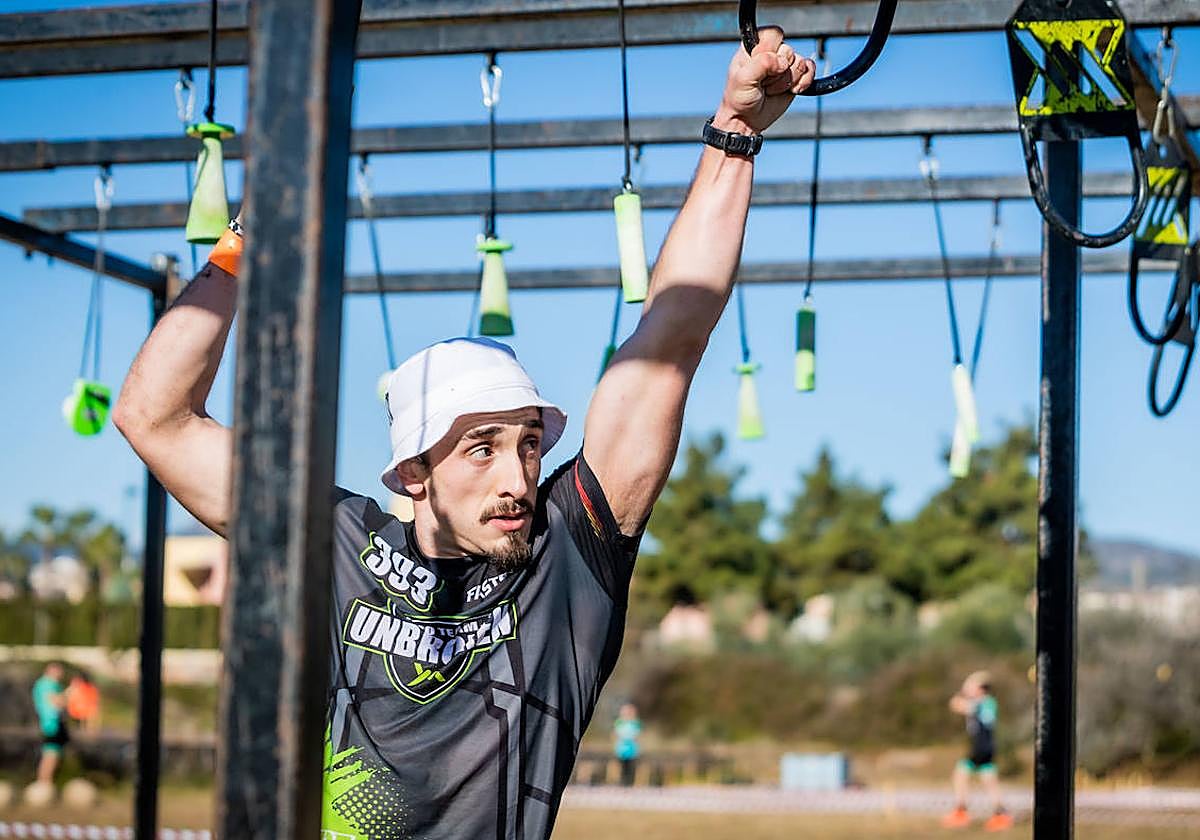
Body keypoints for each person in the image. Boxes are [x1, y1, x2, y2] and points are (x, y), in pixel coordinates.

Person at [113, 29, 815, 840]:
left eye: (527, 441)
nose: (517, 476)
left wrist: (736, 131)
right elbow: (154, 417)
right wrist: (252, 230)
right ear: (414, 472)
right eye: (480, 447)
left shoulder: (568, 551)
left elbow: (674, 330)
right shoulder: (333, 540)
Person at [941, 671, 1013, 832]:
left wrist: (965, 689)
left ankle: (961, 811)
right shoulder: (986, 702)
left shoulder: (983, 702)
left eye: (971, 686)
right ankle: (1001, 813)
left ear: (980, 689)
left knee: (961, 773)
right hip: (985, 747)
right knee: (989, 780)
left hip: (982, 746)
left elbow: (956, 704)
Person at [32, 662, 68, 785]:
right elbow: (57, 701)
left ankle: (46, 781)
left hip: (52, 723)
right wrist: (69, 693)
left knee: (53, 752)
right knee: (51, 753)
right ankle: (44, 782)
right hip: (50, 724)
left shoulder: (45, 683)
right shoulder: (48, 684)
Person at [613, 703, 642, 786]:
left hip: (632, 750)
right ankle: (621, 783)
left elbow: (638, 735)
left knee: (631, 768)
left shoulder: (636, 723)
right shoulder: (619, 722)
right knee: (621, 768)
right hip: (621, 750)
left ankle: (630, 783)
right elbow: (615, 734)